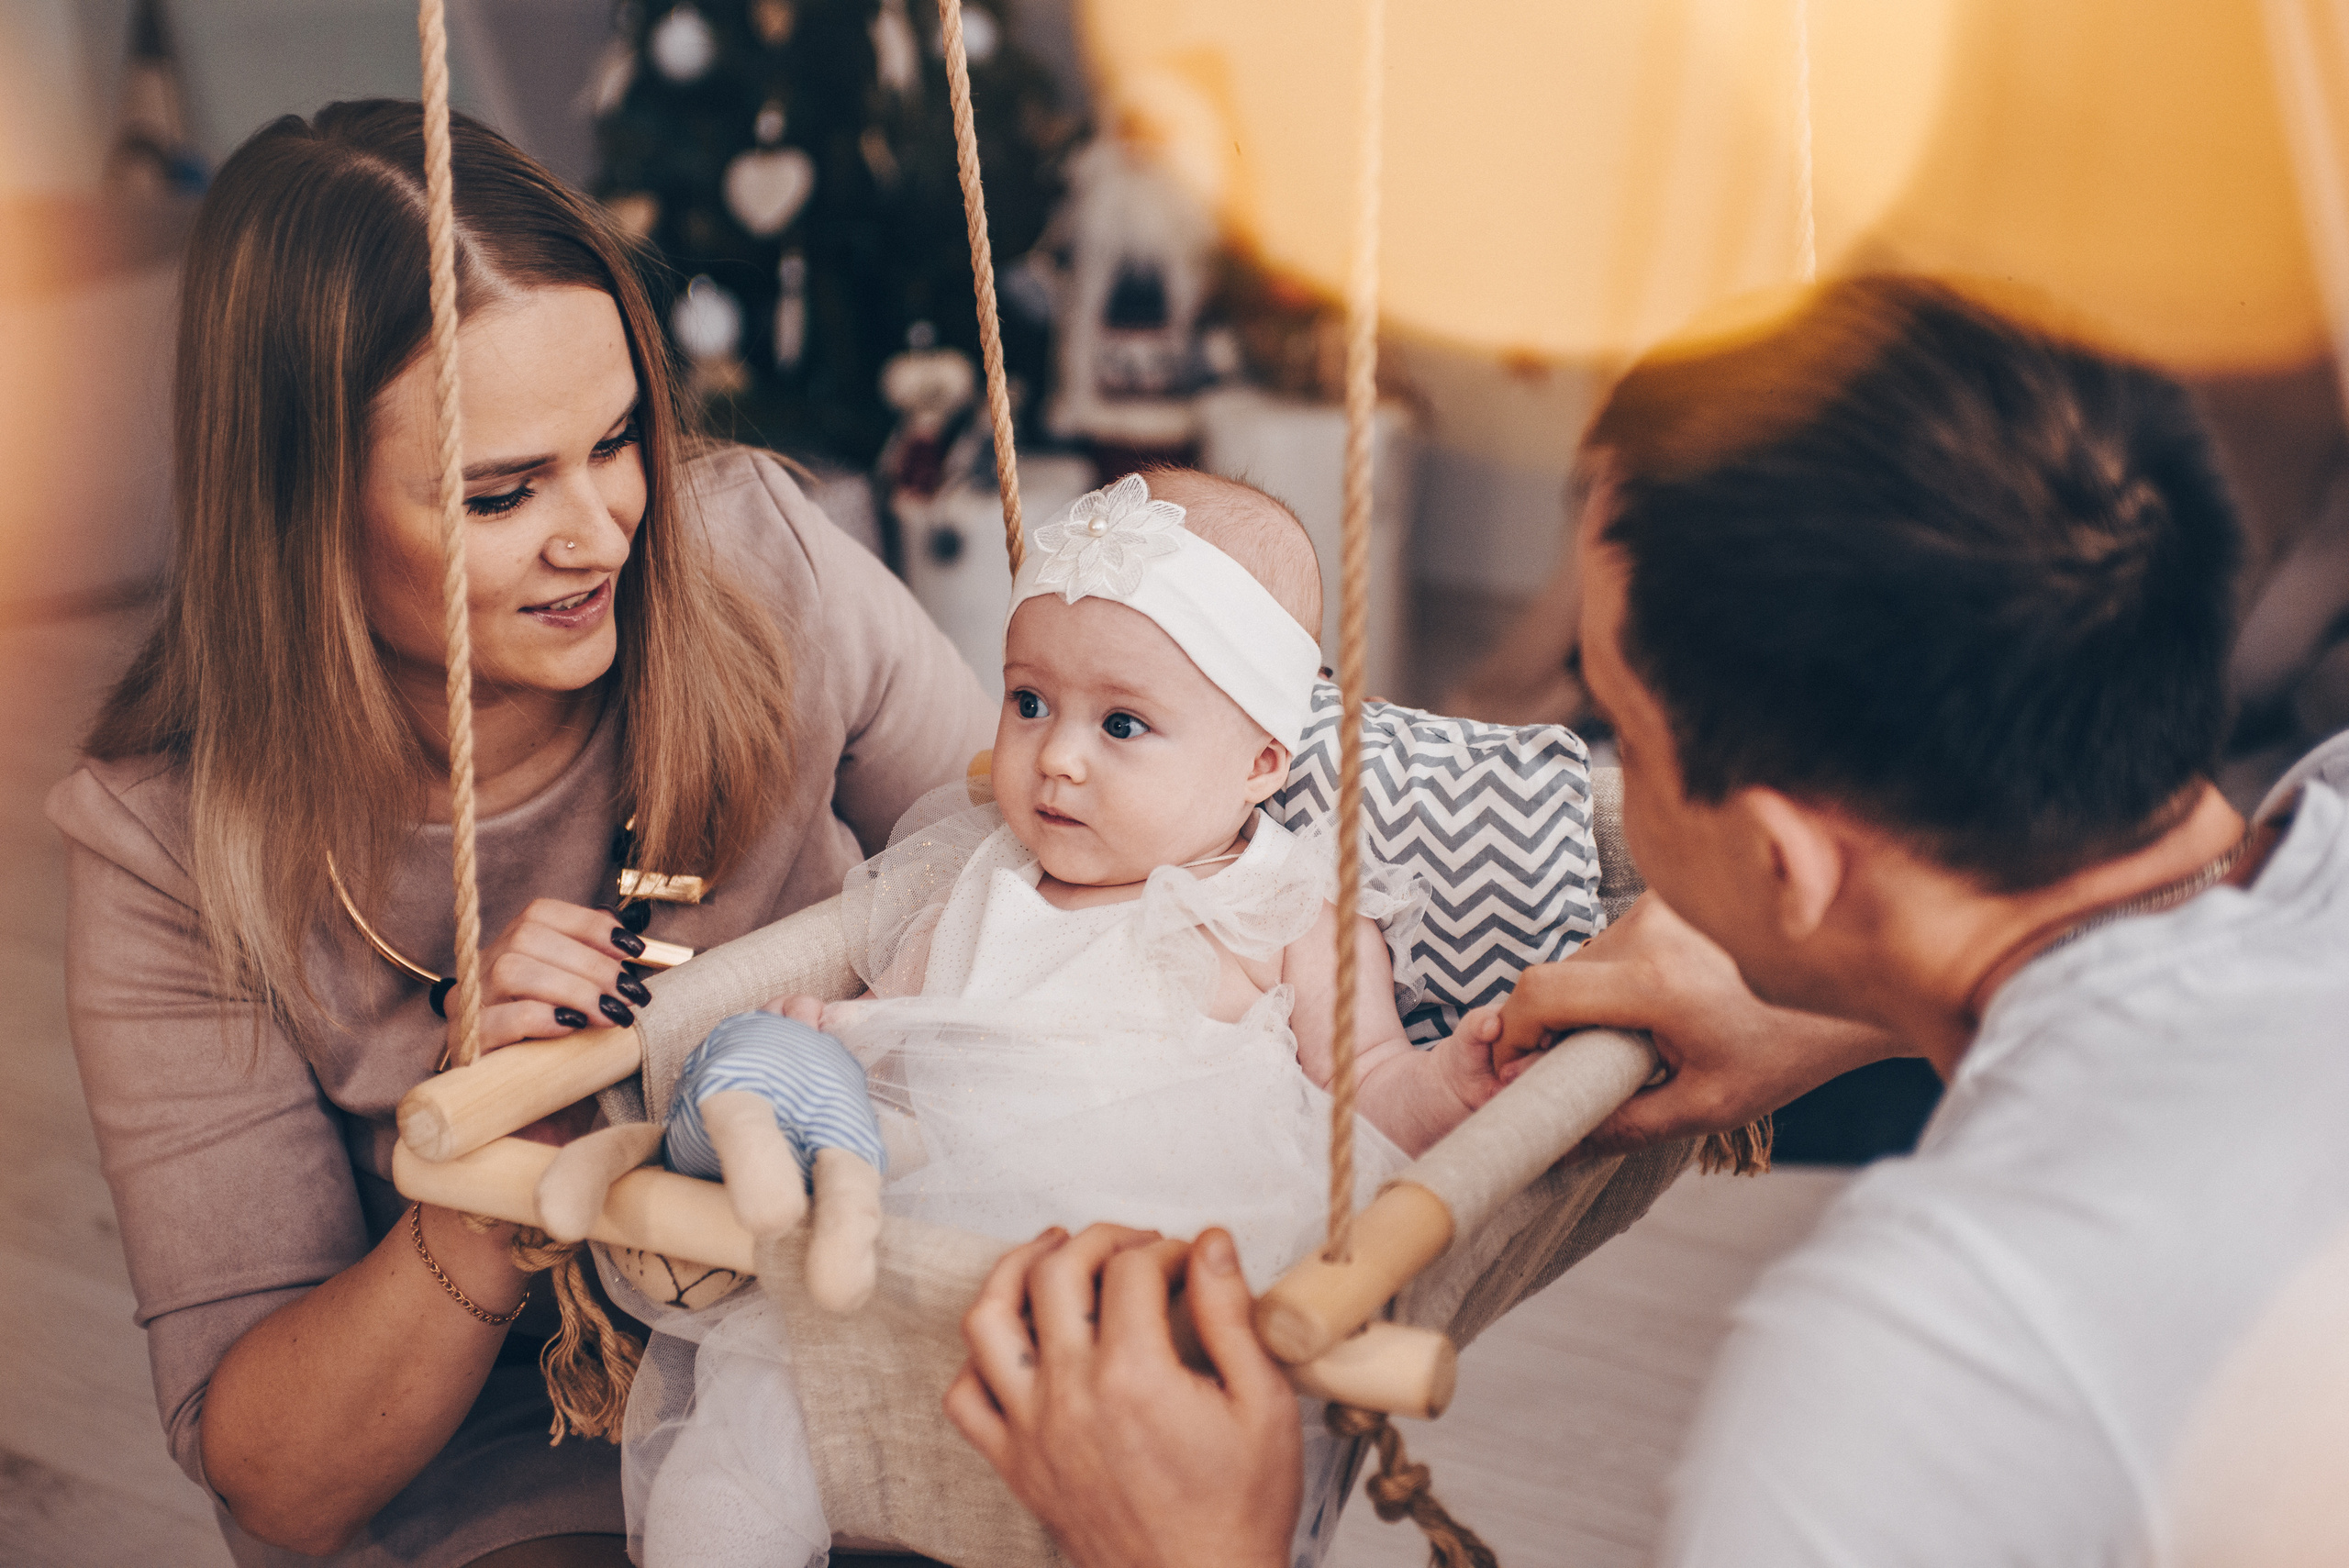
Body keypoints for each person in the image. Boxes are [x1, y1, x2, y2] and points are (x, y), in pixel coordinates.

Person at [943, 276, 2349, 1566]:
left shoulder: (1922, 1358)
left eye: (1612, 719)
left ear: (1788, 863)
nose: (1593, 767)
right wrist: (1844, 1004)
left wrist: (1198, 1552)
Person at [46, 102, 992, 1567]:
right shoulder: (168, 846)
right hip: (521, 1449)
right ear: (298, 514)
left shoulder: (758, 565)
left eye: (616, 442)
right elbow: (278, 1479)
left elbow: (1043, 861)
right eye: (500, 493)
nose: (604, 534)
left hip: (859, 1338)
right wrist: (492, 1160)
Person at [615, 468, 1509, 1566]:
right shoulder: (981, 873)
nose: (1058, 754)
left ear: (1261, 761)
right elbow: (892, 1023)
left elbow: (1365, 1079)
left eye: (1122, 723)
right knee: (744, 1432)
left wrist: (1451, 1082)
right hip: (912, 1259)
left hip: (1144, 1287)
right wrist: (821, 1030)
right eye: (1028, 700)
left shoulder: (1283, 903)